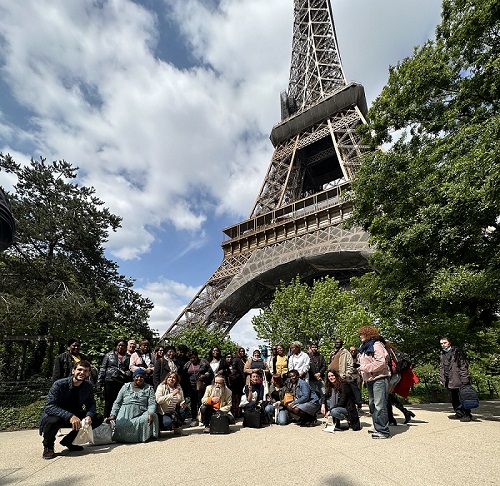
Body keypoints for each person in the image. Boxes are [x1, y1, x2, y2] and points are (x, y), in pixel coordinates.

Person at [39, 360, 104, 459]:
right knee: (53, 421)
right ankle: (48, 447)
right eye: (79, 369)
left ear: (88, 373)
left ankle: (69, 441)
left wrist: (89, 416)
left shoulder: (88, 386)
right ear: (73, 371)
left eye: (85, 371)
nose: (82, 373)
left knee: (98, 417)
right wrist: (70, 416)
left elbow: (91, 404)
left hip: (75, 415)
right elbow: (49, 406)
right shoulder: (59, 384)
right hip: (57, 416)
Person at [108, 368, 159, 443]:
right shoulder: (125, 387)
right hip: (125, 414)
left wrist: (150, 413)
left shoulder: (149, 388)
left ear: (144, 378)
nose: (139, 378)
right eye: (137, 377)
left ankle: (140, 437)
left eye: (141, 377)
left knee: (153, 416)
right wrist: (113, 414)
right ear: (133, 378)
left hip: (141, 413)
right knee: (122, 426)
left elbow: (152, 403)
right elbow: (117, 402)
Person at [358, 326, 391, 439]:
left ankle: (384, 431)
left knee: (379, 405)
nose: (360, 336)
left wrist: (364, 368)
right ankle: (377, 426)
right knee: (372, 404)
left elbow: (381, 362)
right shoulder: (363, 347)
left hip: (379, 378)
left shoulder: (377, 346)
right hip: (370, 380)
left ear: (369, 334)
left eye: (362, 334)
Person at [439, 337, 472, 422]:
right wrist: (442, 379)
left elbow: (463, 365)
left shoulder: (457, 352)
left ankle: (467, 414)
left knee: (463, 397)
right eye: (441, 343)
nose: (443, 345)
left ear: (449, 342)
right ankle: (459, 413)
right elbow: (442, 367)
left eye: (445, 343)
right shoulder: (443, 353)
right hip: (449, 379)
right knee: (454, 398)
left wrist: (464, 379)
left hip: (459, 379)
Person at [96, 339, 131, 418]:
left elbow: (131, 368)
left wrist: (128, 372)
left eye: (123, 346)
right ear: (116, 346)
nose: (121, 347)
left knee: (121, 401)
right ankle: (106, 419)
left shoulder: (129, 357)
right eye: (119, 345)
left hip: (122, 381)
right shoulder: (109, 355)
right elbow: (102, 369)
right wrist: (99, 383)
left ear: (126, 347)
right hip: (110, 381)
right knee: (109, 402)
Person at [385, 342, 416, 425]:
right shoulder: (394, 351)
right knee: (389, 396)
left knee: (387, 396)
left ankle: (391, 419)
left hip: (393, 375)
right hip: (397, 375)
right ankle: (405, 412)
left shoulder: (387, 351)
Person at [183, 349, 213, 426]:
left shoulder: (204, 362)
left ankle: (202, 418)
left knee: (201, 401)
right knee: (193, 403)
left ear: (197, 356)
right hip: (191, 386)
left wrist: (205, 376)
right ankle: (194, 418)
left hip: (201, 385)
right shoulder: (187, 365)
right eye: (191, 358)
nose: (193, 359)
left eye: (194, 357)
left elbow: (210, 372)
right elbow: (184, 374)